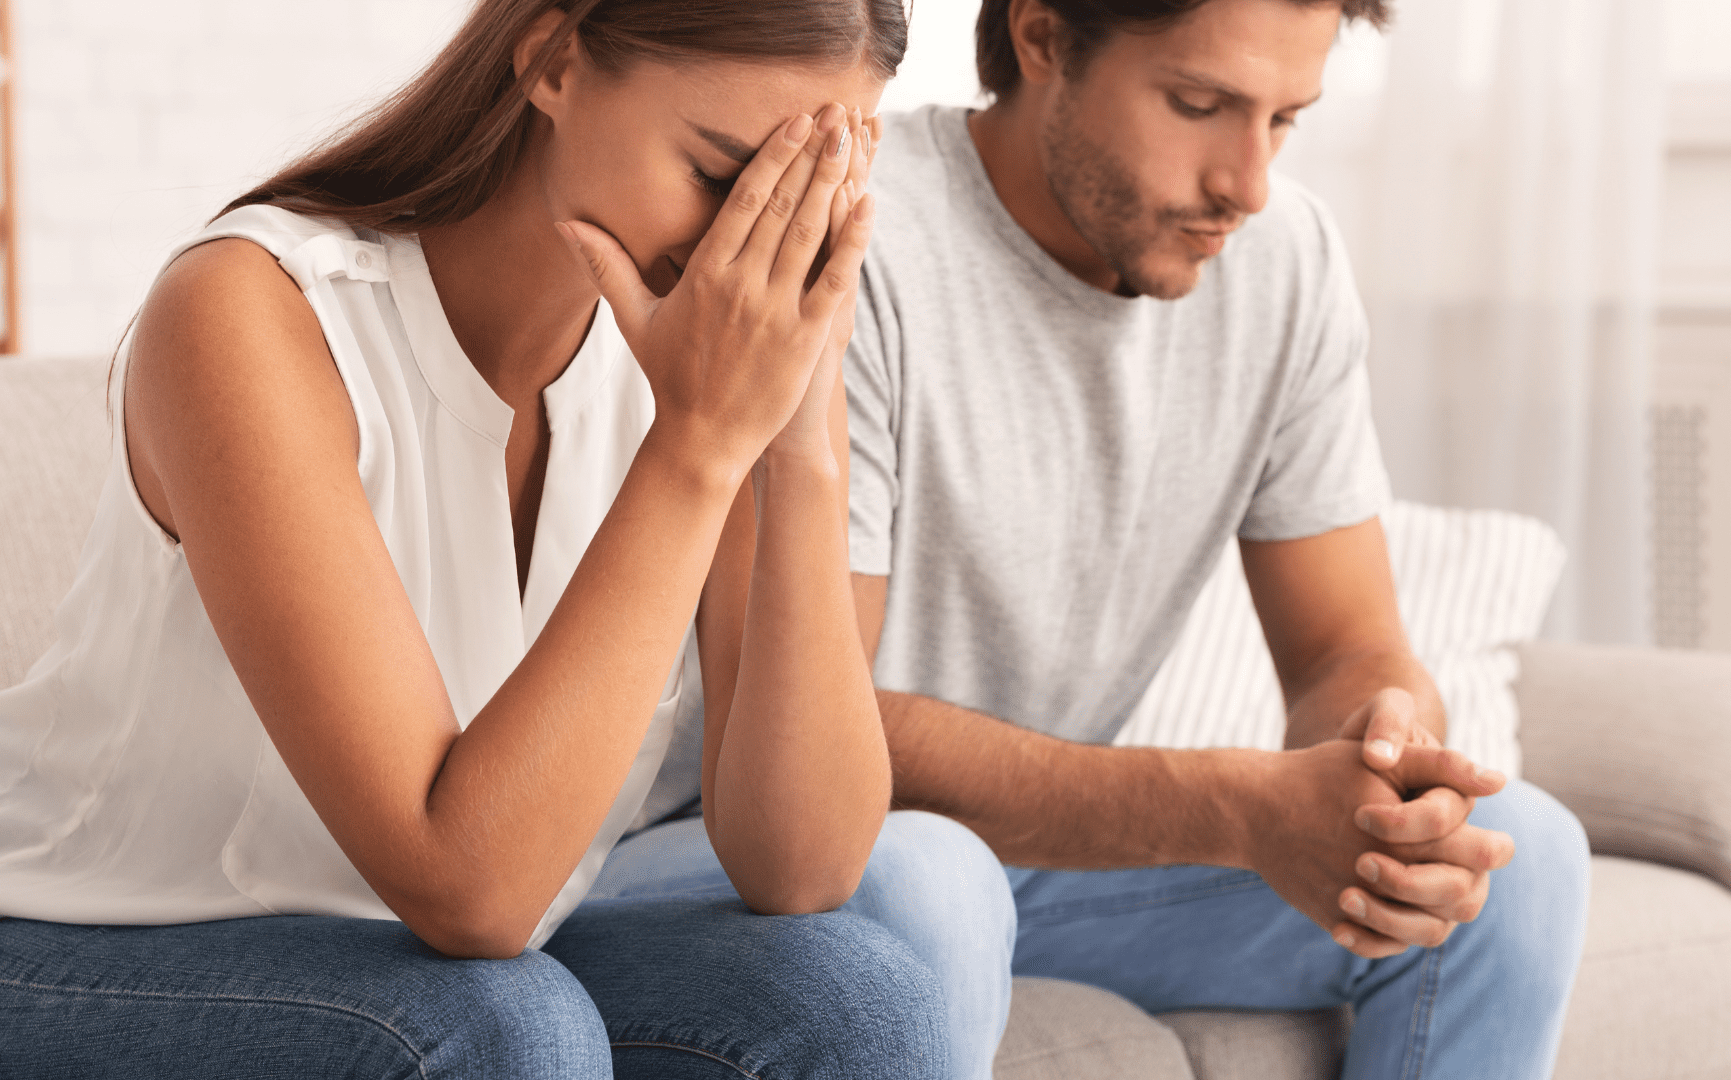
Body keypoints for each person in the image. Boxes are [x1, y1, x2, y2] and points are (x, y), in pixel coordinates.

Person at [0, 1, 1013, 1078]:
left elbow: (800, 866)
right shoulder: (253, 315)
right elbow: (471, 892)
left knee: (853, 998)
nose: (747, 255)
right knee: (505, 1028)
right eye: (725, 178)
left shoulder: (698, 352)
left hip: (421, 969)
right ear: (555, 62)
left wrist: (799, 438)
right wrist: (698, 449)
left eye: (800, 203)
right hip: (90, 949)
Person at [836, 0, 1592, 1076]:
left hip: (1031, 869)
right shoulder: (862, 238)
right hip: (765, 850)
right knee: (928, 879)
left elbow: (1347, 647)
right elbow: (820, 729)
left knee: (1522, 861)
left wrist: (1384, 752)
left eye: (1286, 120)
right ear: (1043, 37)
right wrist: (1235, 809)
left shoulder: (1285, 265)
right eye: (1200, 105)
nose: (1248, 182)